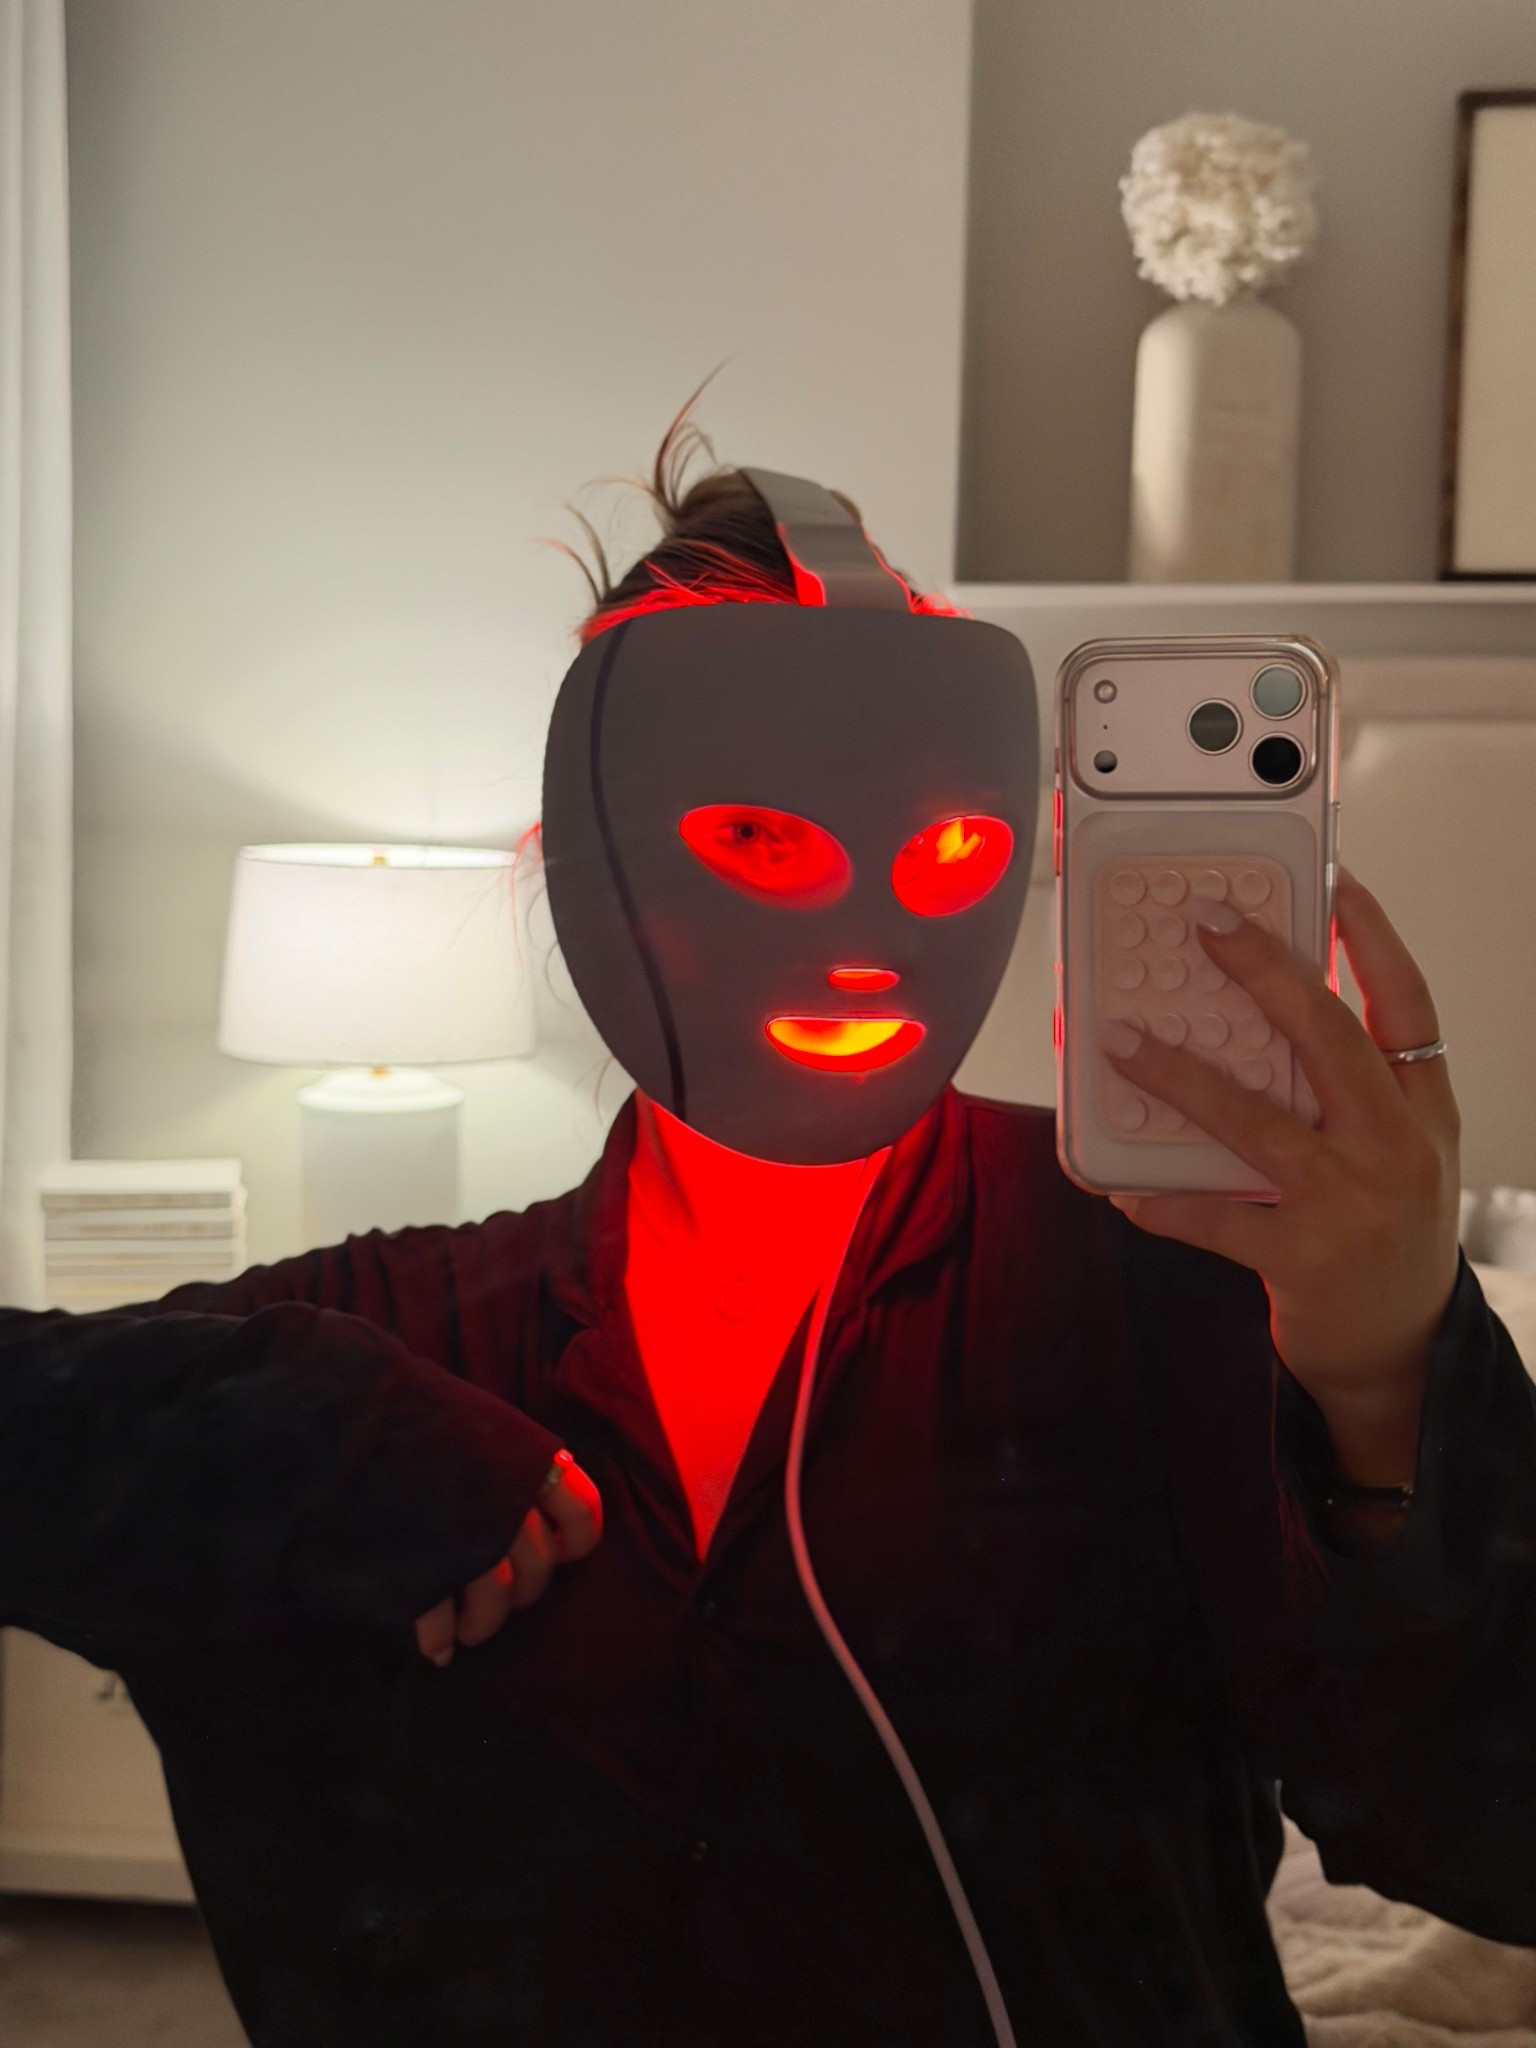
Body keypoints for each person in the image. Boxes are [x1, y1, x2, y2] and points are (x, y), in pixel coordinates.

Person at [1, 404, 1532, 2048]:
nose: (869, 936)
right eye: (756, 840)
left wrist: (1393, 1364)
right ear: (577, 866)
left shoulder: (1175, 1274)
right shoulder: (400, 1343)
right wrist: (282, 1421)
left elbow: (1494, 1839)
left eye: (951, 850)